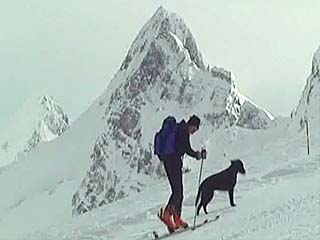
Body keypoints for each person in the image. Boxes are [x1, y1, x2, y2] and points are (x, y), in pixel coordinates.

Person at [157, 115, 204, 231]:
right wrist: (198, 155)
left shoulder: (179, 129)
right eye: (195, 129)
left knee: (178, 191)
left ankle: (176, 219)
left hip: (169, 161)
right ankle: (168, 215)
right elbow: (187, 149)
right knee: (178, 191)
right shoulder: (183, 131)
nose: (194, 132)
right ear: (192, 125)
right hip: (174, 162)